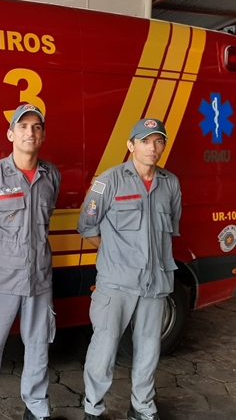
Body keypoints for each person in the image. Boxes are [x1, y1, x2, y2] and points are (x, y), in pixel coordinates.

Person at [77, 118, 182, 420]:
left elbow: (170, 228)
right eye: (145, 141)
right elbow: (87, 225)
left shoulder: (170, 183)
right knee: (104, 349)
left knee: (149, 349)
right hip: (116, 282)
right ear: (131, 145)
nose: (152, 147)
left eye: (158, 141)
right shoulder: (108, 181)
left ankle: (142, 407)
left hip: (156, 282)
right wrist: (114, 253)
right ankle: (93, 409)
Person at [0, 103, 61, 420]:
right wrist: (2, 250)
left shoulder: (50, 176)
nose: (29, 132)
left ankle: (36, 407)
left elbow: (44, 220)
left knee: (38, 347)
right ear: (10, 134)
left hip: (39, 280)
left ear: (42, 135)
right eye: (23, 126)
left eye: (36, 127)